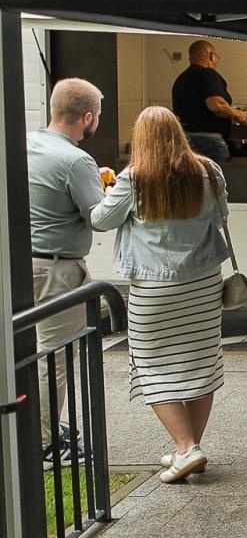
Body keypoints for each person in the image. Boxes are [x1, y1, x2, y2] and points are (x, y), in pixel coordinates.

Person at [91, 107, 230, 482]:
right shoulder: (208, 171)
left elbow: (100, 220)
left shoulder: (134, 179)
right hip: (203, 285)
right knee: (200, 363)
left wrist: (107, 190)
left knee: (151, 364)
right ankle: (188, 448)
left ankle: (187, 448)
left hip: (154, 289)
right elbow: (221, 215)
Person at [27, 78, 111, 460]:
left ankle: (32, 424)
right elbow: (99, 217)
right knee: (55, 357)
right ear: (87, 116)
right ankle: (44, 442)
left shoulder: (26, 144)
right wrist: (111, 189)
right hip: (56, 270)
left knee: (27, 350)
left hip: (22, 263)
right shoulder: (77, 160)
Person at [171, 40, 247, 165]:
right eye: (217, 57)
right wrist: (238, 115)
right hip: (209, 143)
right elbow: (216, 105)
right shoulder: (208, 74)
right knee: (216, 180)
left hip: (184, 141)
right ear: (211, 55)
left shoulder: (181, 79)